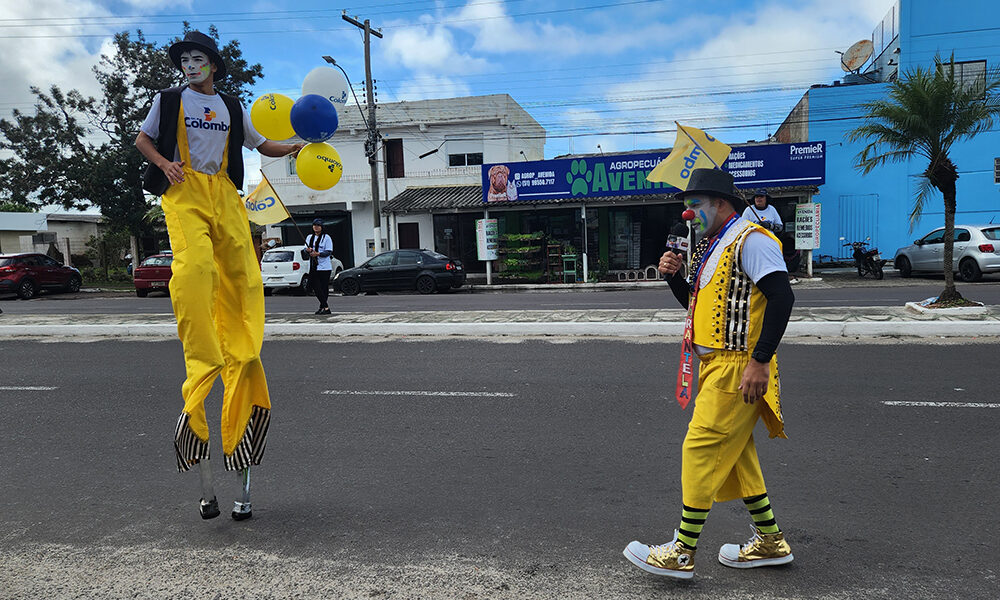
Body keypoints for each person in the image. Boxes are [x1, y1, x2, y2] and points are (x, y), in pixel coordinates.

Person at [135, 30, 302, 521]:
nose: (191, 65)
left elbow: (262, 145)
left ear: (212, 65)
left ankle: (241, 359)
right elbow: (142, 140)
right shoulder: (168, 101)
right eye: (185, 59)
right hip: (185, 191)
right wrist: (165, 164)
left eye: (199, 58)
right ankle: (203, 370)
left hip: (227, 196)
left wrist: (297, 145)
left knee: (247, 282)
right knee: (195, 270)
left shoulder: (231, 104)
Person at [624, 168, 796, 579]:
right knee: (738, 457)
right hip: (717, 366)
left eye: (695, 205)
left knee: (700, 449)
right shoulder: (713, 245)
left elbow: (782, 296)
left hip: (738, 368)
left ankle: (681, 552)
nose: (689, 214)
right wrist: (675, 278)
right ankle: (771, 542)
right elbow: (697, 306)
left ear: (722, 204)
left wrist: (759, 360)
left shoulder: (750, 240)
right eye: (686, 207)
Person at [305, 218, 334, 315]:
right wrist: (308, 250)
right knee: (315, 287)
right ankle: (325, 307)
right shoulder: (309, 237)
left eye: (318, 225)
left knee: (323, 288)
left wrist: (318, 254)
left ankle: (323, 307)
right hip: (313, 266)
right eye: (314, 225)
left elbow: (328, 251)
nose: (316, 227)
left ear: (322, 227)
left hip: (324, 267)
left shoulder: (326, 238)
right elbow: (305, 250)